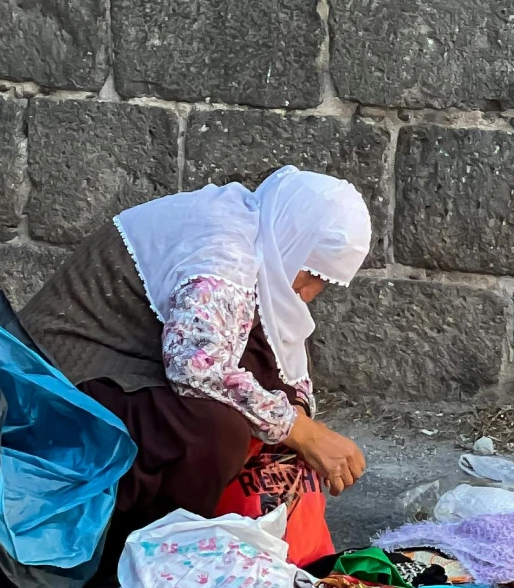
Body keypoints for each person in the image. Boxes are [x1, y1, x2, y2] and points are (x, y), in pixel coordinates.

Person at [19, 168, 372, 564]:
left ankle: (236, 530)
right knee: (214, 431)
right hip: (57, 386)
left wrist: (298, 417)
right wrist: (301, 432)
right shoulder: (224, 249)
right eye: (311, 273)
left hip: (133, 364)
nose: (308, 292)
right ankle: (147, 549)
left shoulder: (259, 233)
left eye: (325, 281)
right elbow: (197, 368)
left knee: (262, 379)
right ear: (290, 236)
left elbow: (271, 349)